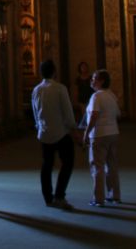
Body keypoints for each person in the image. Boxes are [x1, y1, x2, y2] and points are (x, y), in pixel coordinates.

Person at [31, 59, 79, 211]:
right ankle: (59, 195)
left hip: (44, 133)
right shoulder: (60, 88)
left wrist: (39, 126)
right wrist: (73, 129)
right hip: (61, 132)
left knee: (47, 165)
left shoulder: (36, 90)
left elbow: (35, 111)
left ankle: (48, 197)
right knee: (68, 163)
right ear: (54, 72)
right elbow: (67, 111)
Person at [82, 69, 122, 207]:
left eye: (94, 79)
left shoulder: (96, 97)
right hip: (113, 133)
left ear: (102, 81)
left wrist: (86, 133)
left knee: (97, 167)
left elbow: (94, 115)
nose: (92, 81)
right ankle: (114, 195)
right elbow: (118, 114)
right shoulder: (111, 95)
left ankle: (98, 198)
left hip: (99, 134)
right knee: (112, 165)